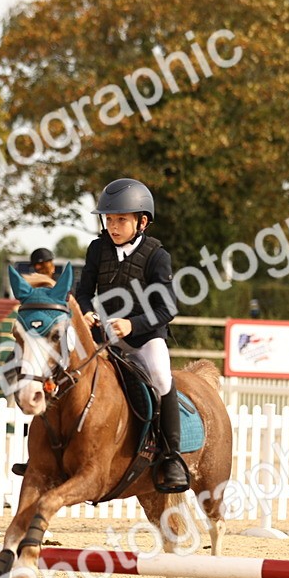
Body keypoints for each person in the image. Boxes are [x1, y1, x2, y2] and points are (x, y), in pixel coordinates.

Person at [75, 177, 189, 493]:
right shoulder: (98, 249)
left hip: (144, 337)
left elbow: (167, 308)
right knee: (68, 369)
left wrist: (132, 325)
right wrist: (86, 311)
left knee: (161, 377)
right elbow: (83, 292)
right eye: (109, 219)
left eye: (121, 219)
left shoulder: (156, 255)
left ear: (142, 221)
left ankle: (171, 456)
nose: (113, 225)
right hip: (104, 336)